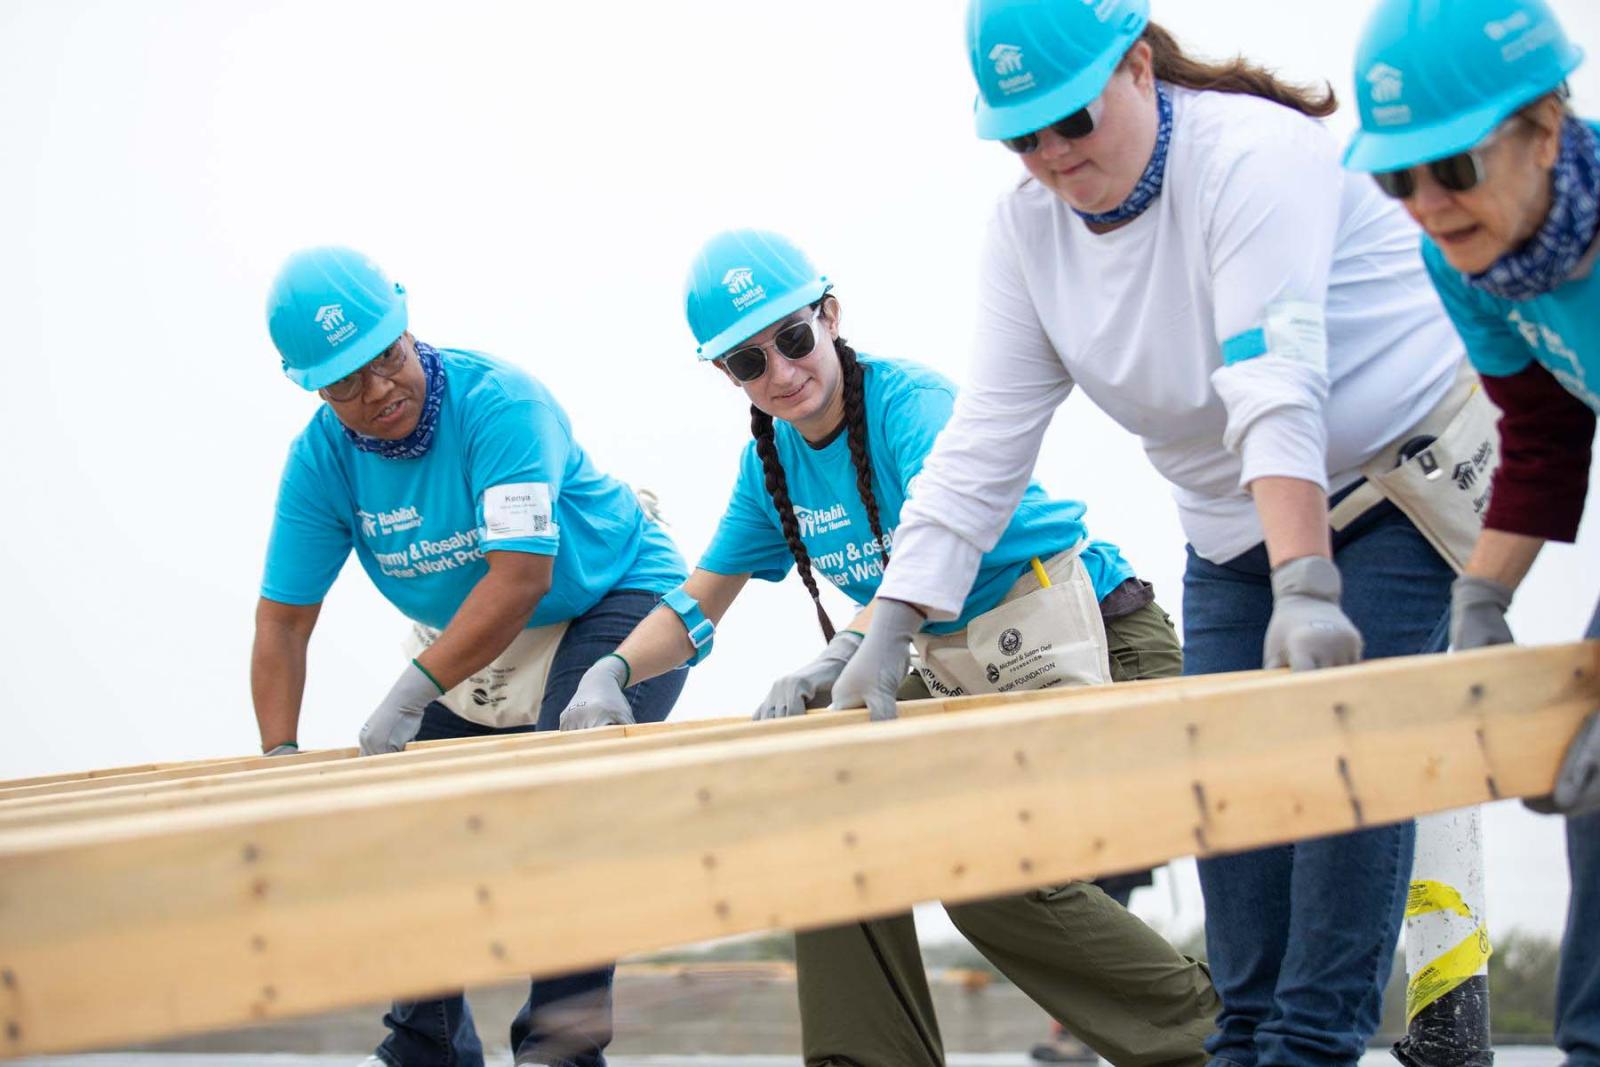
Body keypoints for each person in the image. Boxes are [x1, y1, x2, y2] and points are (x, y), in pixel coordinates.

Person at [832, 1, 1492, 1063]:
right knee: (1229, 809)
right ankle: (1242, 1044)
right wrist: (887, 618)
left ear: (1138, 66)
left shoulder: (1250, 157)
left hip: (1388, 491)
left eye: (1072, 122)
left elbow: (1273, 383)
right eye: (1022, 136)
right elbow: (984, 442)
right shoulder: (1027, 230)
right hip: (1233, 530)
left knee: (1338, 776)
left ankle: (1315, 1044)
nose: (1051, 156)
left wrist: (1308, 583)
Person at [558, 229, 1220, 1067]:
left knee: (984, 863)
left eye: (793, 339)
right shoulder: (771, 466)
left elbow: (939, 541)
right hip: (960, 676)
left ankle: (1210, 1041)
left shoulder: (912, 407)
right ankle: (867, 1058)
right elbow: (700, 600)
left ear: (830, 316)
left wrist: (842, 650)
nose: (782, 371)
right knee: (821, 794)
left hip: (1091, 644)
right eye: (749, 363)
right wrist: (610, 669)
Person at [252, 246, 689, 1067]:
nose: (379, 390)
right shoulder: (322, 462)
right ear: (312, 386)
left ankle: (562, 1049)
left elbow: (521, 578)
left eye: (386, 356)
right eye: (345, 382)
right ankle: (427, 1048)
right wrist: (281, 757)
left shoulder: (501, 404)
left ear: (408, 324)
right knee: (416, 833)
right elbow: (282, 626)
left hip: (608, 600)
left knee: (570, 798)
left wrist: (411, 691)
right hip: (470, 639)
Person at [1346, 2, 1600, 1063]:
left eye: (1449, 165)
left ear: (1546, 126)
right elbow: (1543, 430)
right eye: (1395, 179)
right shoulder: (1473, 262)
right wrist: (1477, 600)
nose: (1428, 204)